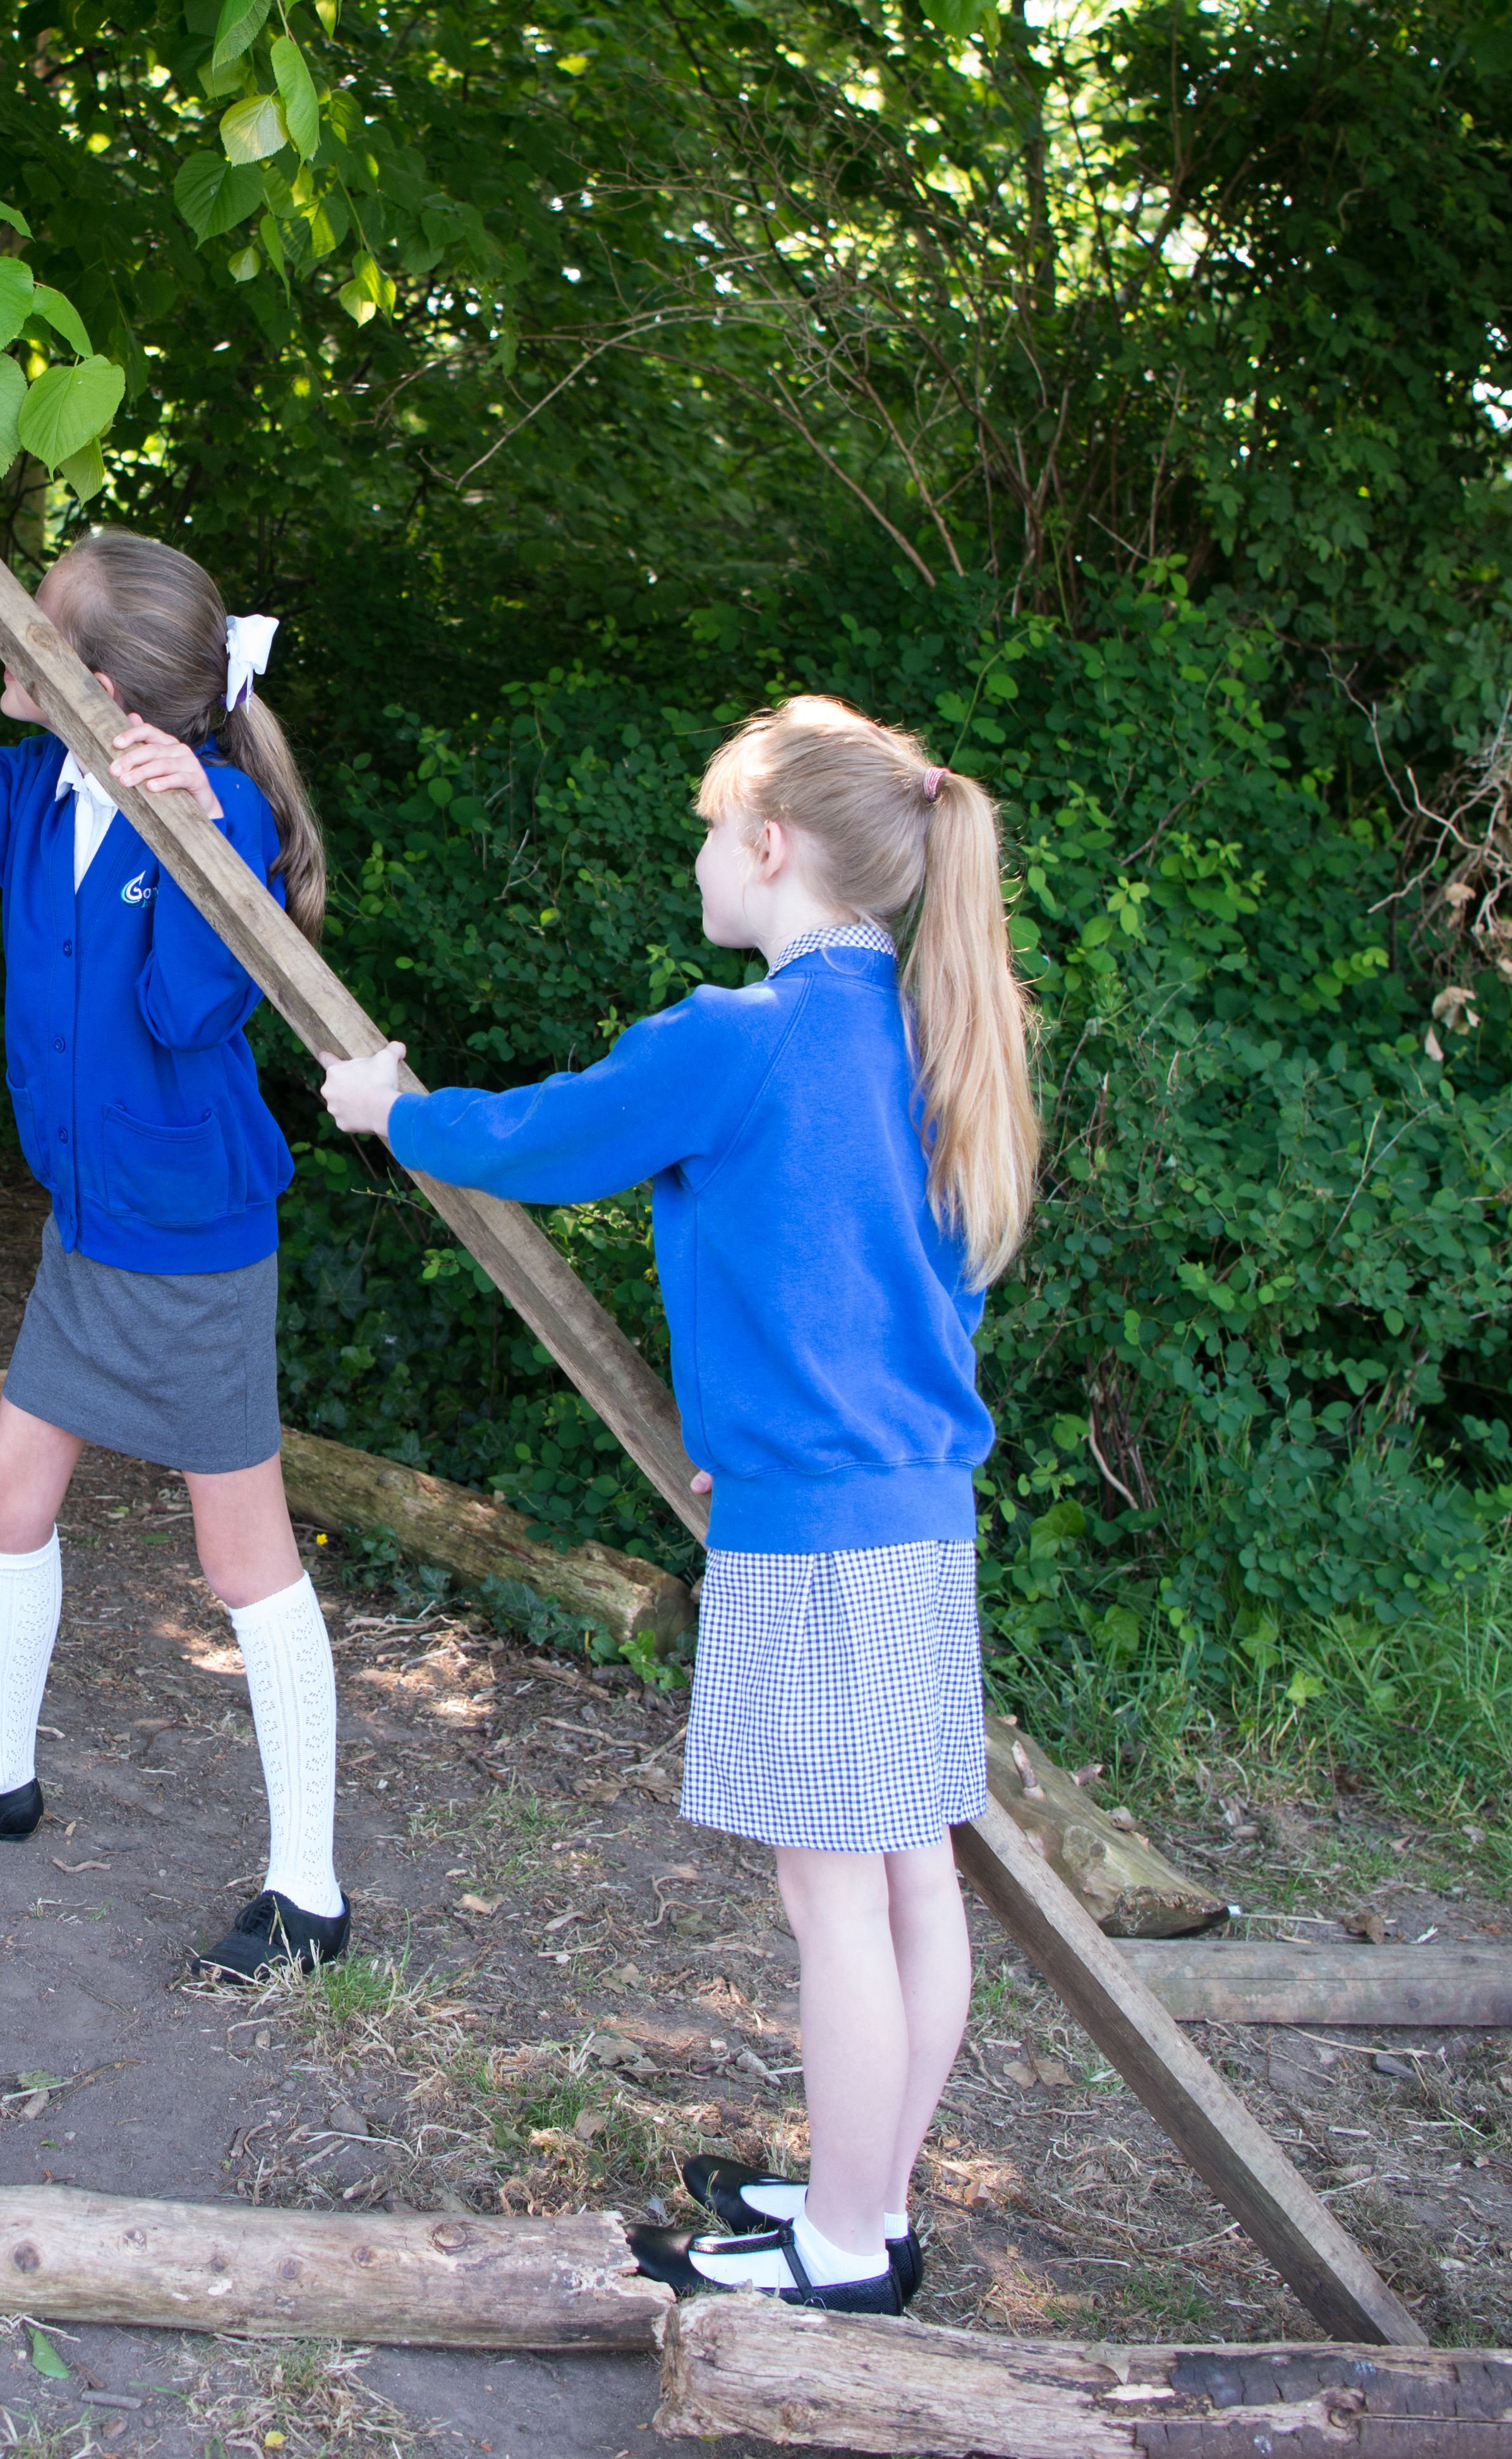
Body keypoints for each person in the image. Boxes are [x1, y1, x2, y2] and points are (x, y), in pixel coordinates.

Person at [317, 693, 1036, 2317]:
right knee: (910, 1871)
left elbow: (561, 1132)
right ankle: (869, 2189)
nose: (701, 855)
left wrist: (395, 1112)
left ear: (770, 844)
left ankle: (844, 2249)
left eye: (714, 827)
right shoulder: (921, 1033)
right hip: (916, 1513)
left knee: (833, 1893)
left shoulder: (747, 1030)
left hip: (822, 1533)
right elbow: (894, 1292)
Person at [0, 420, 350, 1984]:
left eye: (26, 618)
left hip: (187, 1245)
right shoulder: (35, 795)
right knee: (5, 1496)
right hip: (88, 1229)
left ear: (101, 689)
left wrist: (208, 836)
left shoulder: (210, 831)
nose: (2, 628)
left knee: (242, 1560)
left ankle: (305, 1889)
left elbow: (191, 1016)